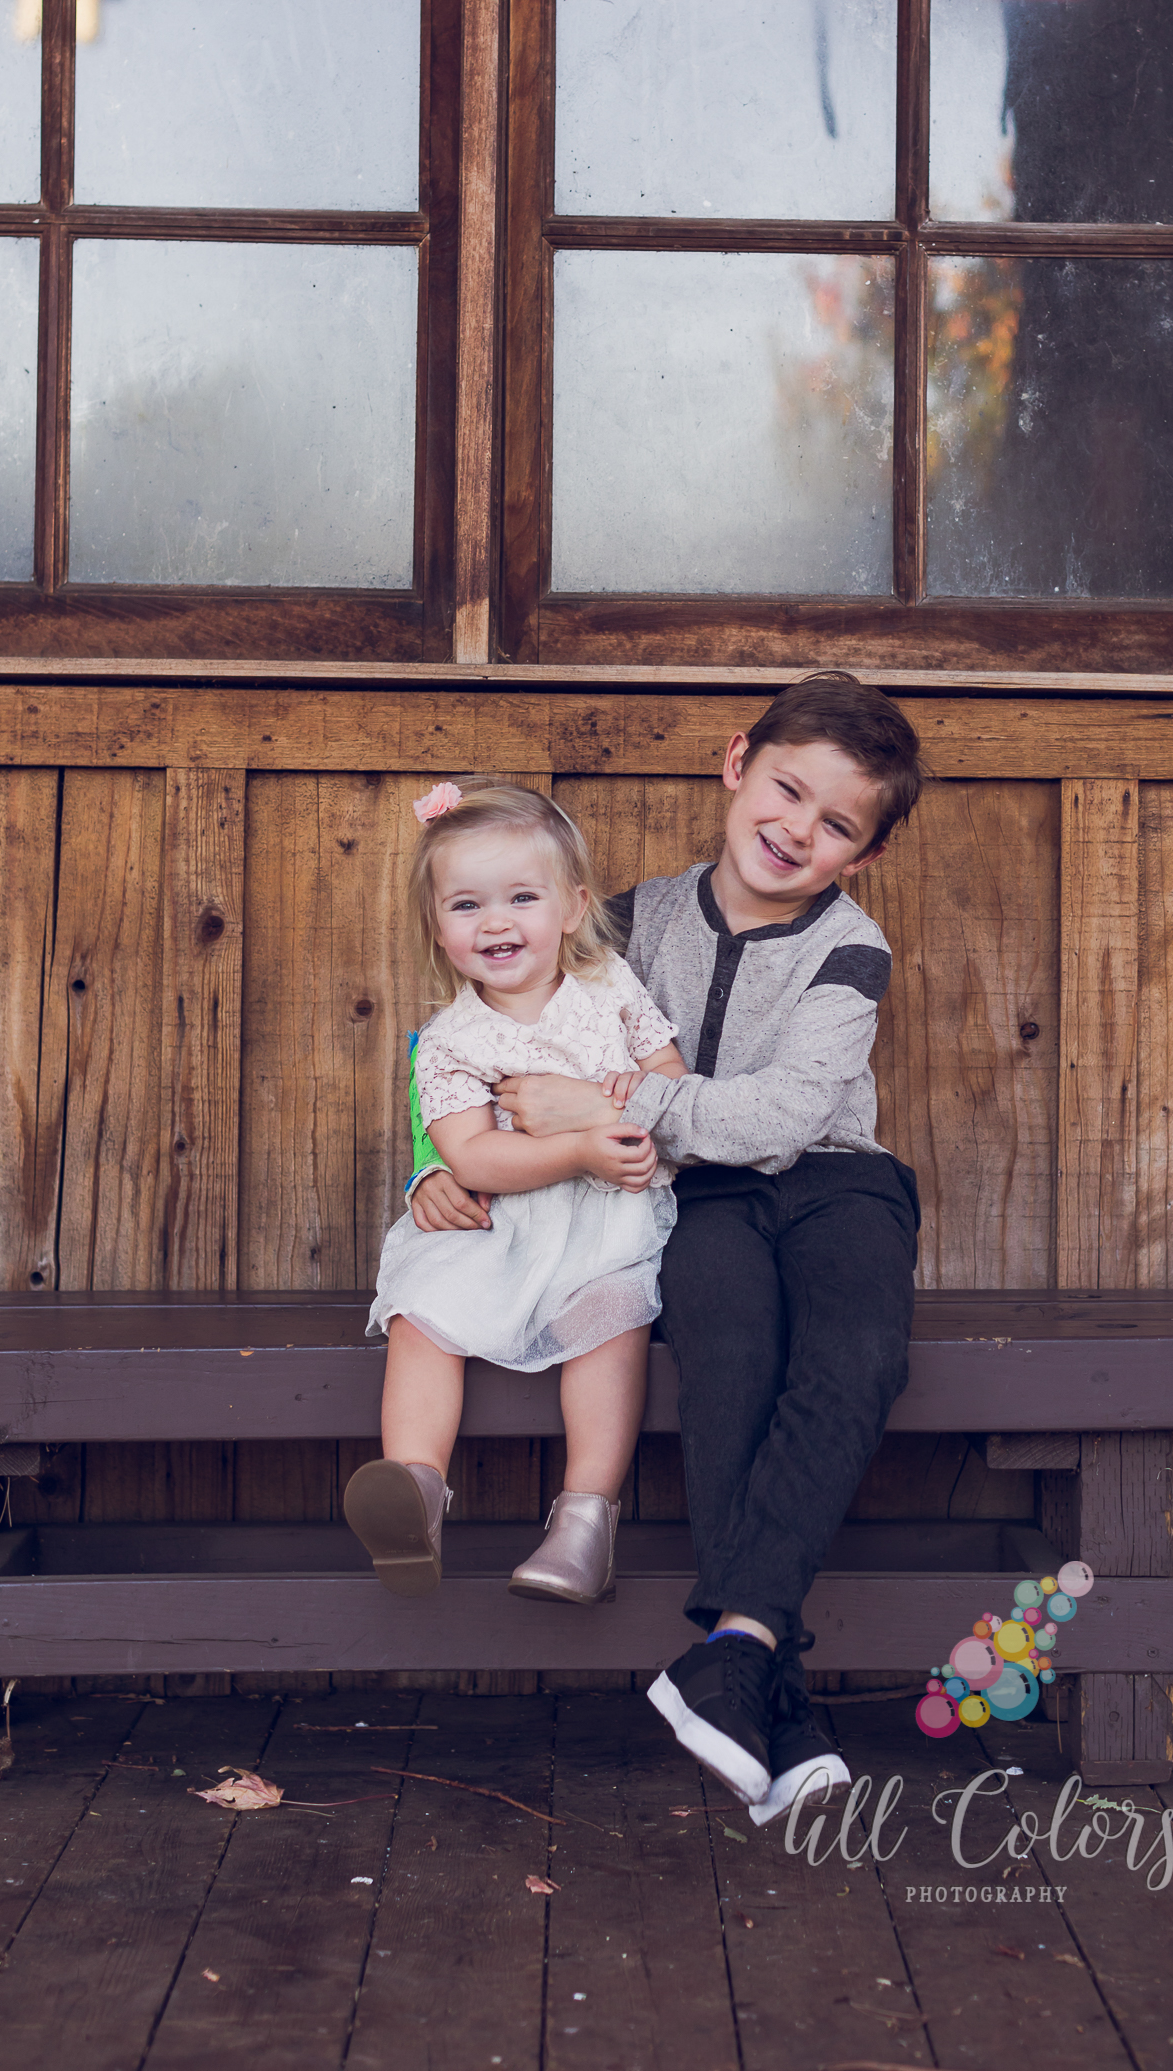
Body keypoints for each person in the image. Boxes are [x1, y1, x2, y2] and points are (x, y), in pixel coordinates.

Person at [419, 672, 925, 1826]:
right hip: (694, 1199)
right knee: (726, 1345)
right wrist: (441, 1160)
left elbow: (788, 1115)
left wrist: (620, 1106)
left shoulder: (851, 951)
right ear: (737, 760)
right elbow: (494, 1042)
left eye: (837, 823)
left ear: (864, 855)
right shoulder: (630, 921)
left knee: (856, 1354)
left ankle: (735, 1647)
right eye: (788, 789)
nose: (797, 828)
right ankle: (765, 1692)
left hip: (841, 1185)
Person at [346, 780, 686, 1606]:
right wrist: (578, 1144)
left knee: (610, 1321)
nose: (495, 922)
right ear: (437, 924)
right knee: (421, 1314)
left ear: (571, 907)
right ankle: (415, 1489)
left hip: (604, 1220)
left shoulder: (610, 986)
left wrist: (633, 1095)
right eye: (466, 904)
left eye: (521, 898)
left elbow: (672, 1082)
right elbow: (474, 1157)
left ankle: (583, 1521)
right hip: (495, 1222)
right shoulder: (451, 1040)